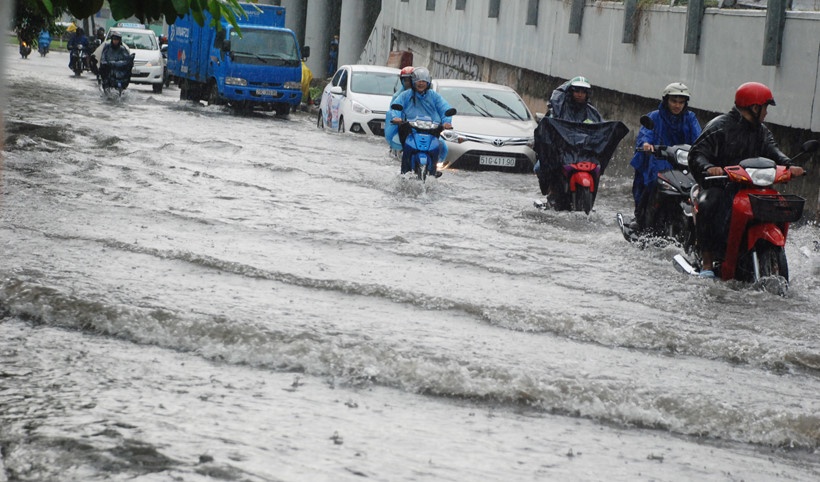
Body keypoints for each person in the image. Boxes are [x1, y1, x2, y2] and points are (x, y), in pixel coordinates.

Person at [688, 82, 804, 278]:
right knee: (708, 203)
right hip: (721, 185)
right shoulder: (719, 126)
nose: (767, 113)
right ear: (755, 107)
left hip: (752, 186)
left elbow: (773, 151)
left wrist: (788, 165)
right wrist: (709, 168)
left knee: (775, 205)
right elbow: (697, 153)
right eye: (765, 107)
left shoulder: (762, 131)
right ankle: (707, 264)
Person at [629, 82, 702, 231]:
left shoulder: (690, 118)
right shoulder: (655, 117)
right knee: (650, 184)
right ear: (666, 100)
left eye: (681, 102)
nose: (677, 105)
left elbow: (699, 139)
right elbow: (645, 134)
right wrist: (646, 145)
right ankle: (640, 217)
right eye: (674, 101)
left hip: (682, 162)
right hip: (658, 160)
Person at [535, 76, 603, 198]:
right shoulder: (558, 109)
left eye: (583, 92)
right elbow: (547, 127)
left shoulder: (592, 113)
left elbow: (600, 130)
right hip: (561, 150)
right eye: (577, 91)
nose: (580, 95)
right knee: (540, 167)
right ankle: (551, 191)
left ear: (587, 94)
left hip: (583, 153)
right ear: (570, 92)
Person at [389, 67, 454, 177]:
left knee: (442, 146)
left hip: (431, 130)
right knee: (407, 148)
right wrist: (396, 117)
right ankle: (404, 173)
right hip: (410, 129)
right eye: (418, 80)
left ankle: (434, 168)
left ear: (428, 82)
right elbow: (396, 107)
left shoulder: (434, 96)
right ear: (413, 81)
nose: (421, 83)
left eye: (424, 81)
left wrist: (446, 122)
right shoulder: (405, 95)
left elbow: (444, 108)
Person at [385, 66, 415, 152]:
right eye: (405, 80)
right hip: (403, 126)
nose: (408, 83)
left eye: (410, 80)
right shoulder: (398, 96)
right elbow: (393, 110)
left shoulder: (424, 95)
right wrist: (397, 118)